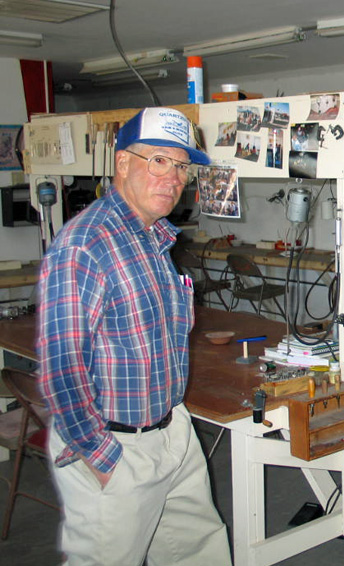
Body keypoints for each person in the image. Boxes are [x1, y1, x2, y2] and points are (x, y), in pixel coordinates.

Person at [37, 107, 232, 566]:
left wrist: (175, 428)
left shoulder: (153, 239)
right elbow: (61, 364)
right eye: (158, 160)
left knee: (197, 551)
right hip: (115, 442)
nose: (173, 177)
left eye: (181, 166)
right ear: (123, 164)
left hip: (171, 431)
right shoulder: (85, 244)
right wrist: (99, 455)